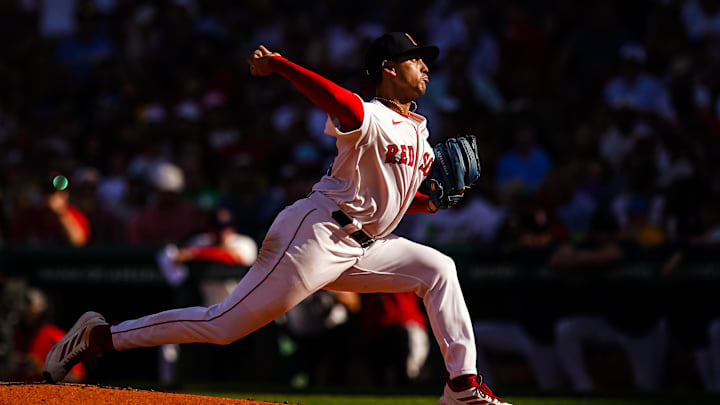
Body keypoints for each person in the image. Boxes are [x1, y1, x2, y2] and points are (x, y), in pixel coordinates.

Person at [43, 32, 512, 405]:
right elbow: (340, 103)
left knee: (439, 270)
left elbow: (390, 199)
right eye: (414, 59)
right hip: (316, 234)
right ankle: (100, 338)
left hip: (363, 244)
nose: (425, 66)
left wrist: (429, 202)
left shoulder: (421, 134)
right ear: (388, 69)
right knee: (221, 325)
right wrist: (283, 65)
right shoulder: (368, 114)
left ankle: (462, 386)